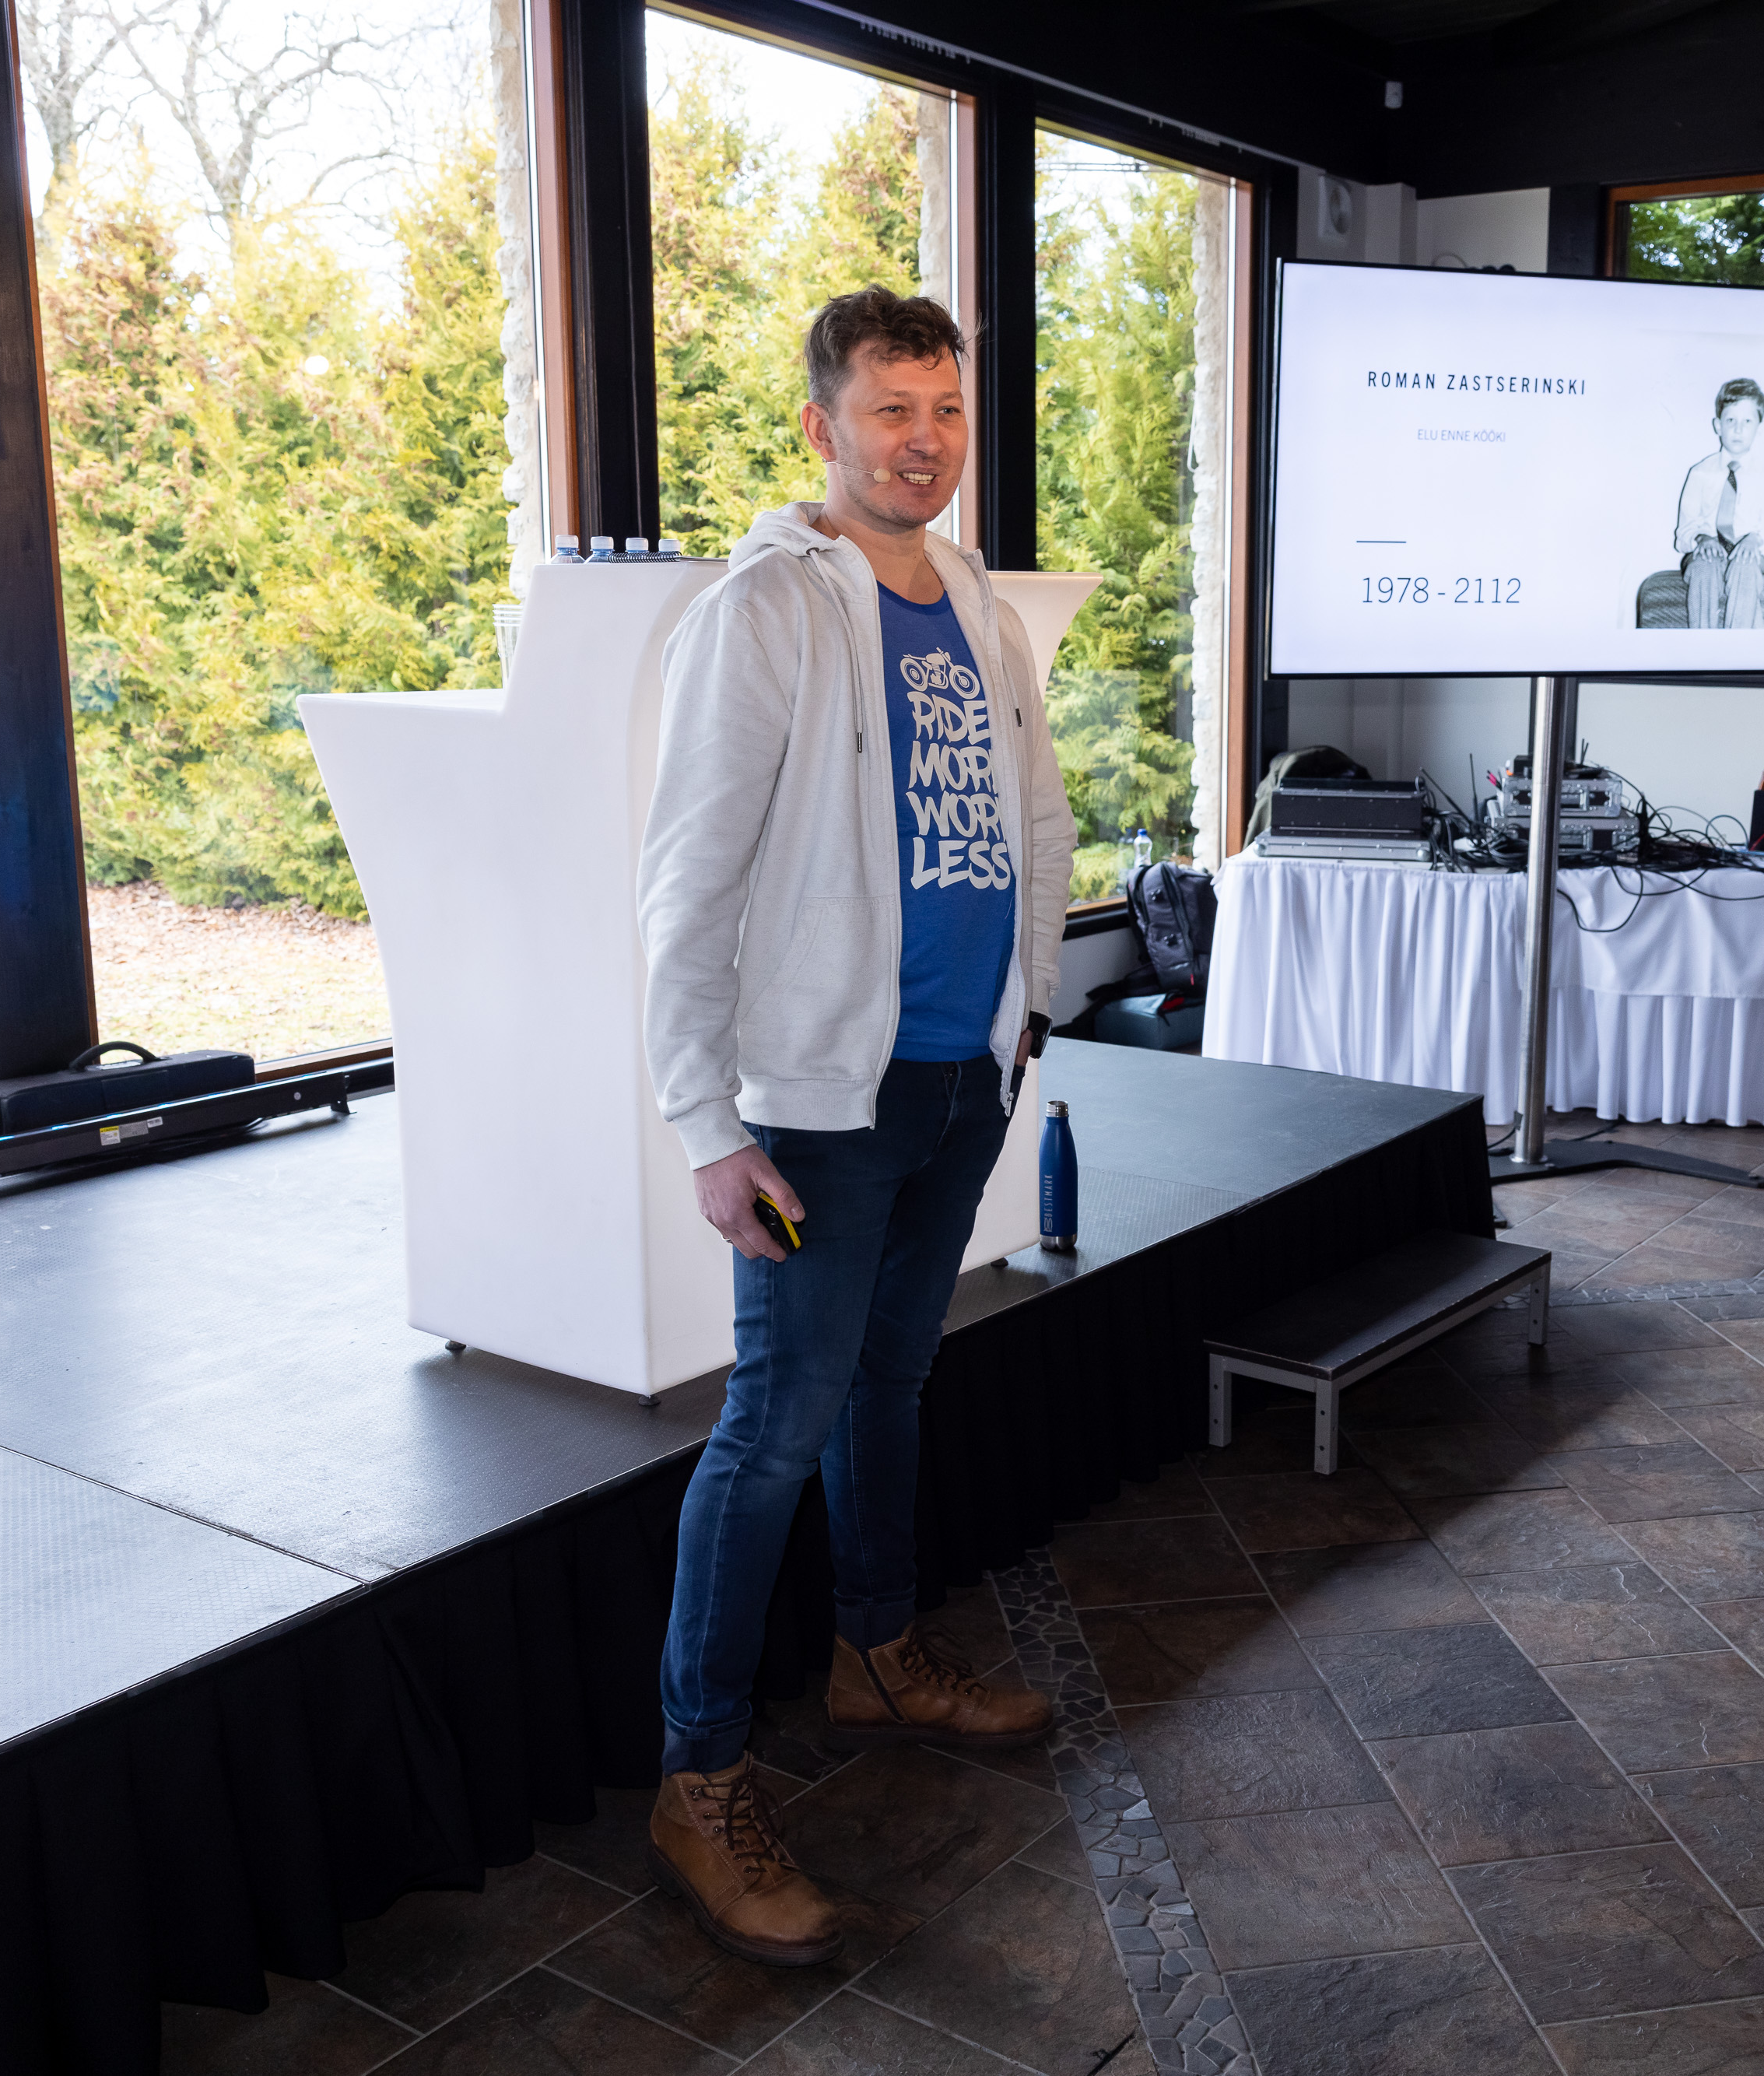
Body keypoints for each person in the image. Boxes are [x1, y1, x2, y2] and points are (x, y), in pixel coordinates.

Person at [637, 286, 1074, 1965]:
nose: (924, 440)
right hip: (819, 1102)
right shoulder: (762, 609)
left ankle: (875, 1649)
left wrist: (1028, 1007)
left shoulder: (973, 597)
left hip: (960, 1077)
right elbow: (686, 883)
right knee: (772, 1427)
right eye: (892, 408)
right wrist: (704, 1121)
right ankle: (698, 1778)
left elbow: (1034, 815)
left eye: (945, 409)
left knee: (890, 1382)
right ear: (822, 425)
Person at [1675, 377, 1764, 627]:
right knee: (1704, 566)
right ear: (1718, 426)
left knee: (1745, 565)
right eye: (1730, 421)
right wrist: (1701, 538)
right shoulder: (1700, 473)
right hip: (1707, 553)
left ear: (1759, 428)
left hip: (1748, 554)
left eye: (1747, 422)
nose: (1738, 429)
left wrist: (1754, 539)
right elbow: (1684, 531)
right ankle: (1703, 644)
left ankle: (1738, 646)